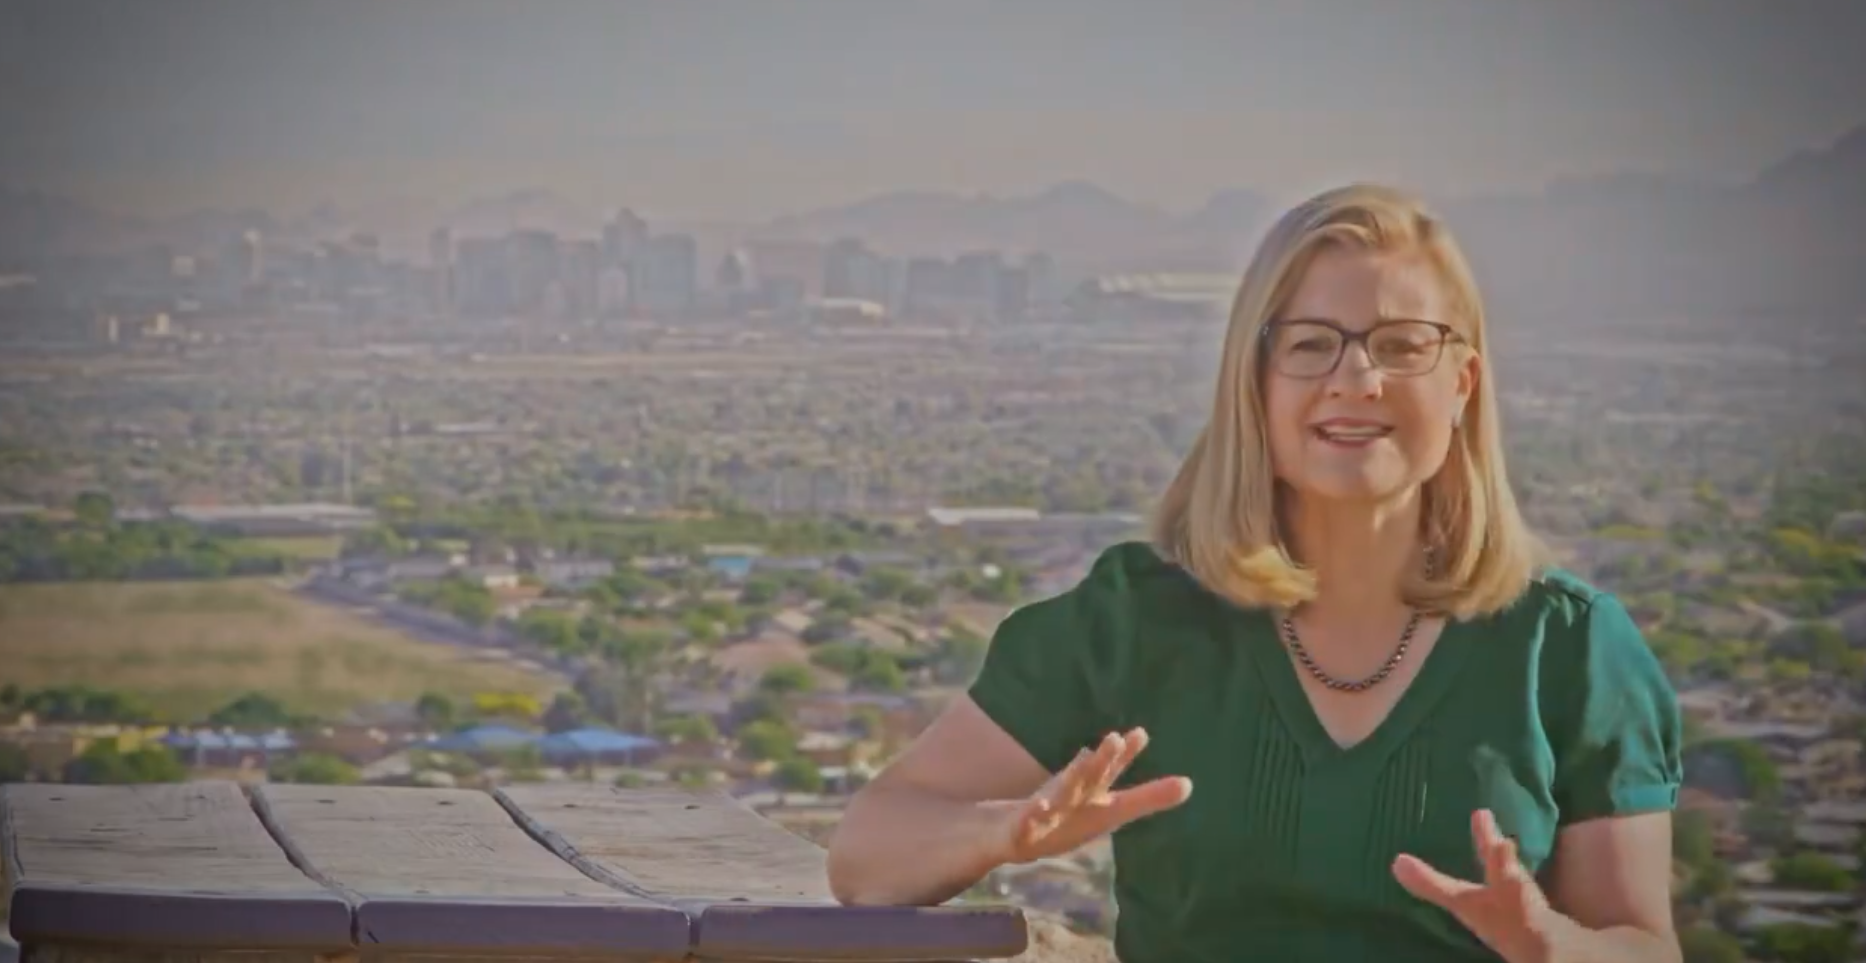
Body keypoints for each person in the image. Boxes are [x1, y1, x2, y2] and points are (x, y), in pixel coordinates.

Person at [825, 183, 1684, 963]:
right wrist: (1005, 830)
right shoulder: (1133, 622)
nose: (1357, 379)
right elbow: (867, 857)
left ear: (1462, 383)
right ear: (1255, 380)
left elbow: (1644, 945)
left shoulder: (1567, 648)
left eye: (1401, 345)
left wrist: (1556, 946)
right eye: (1312, 344)